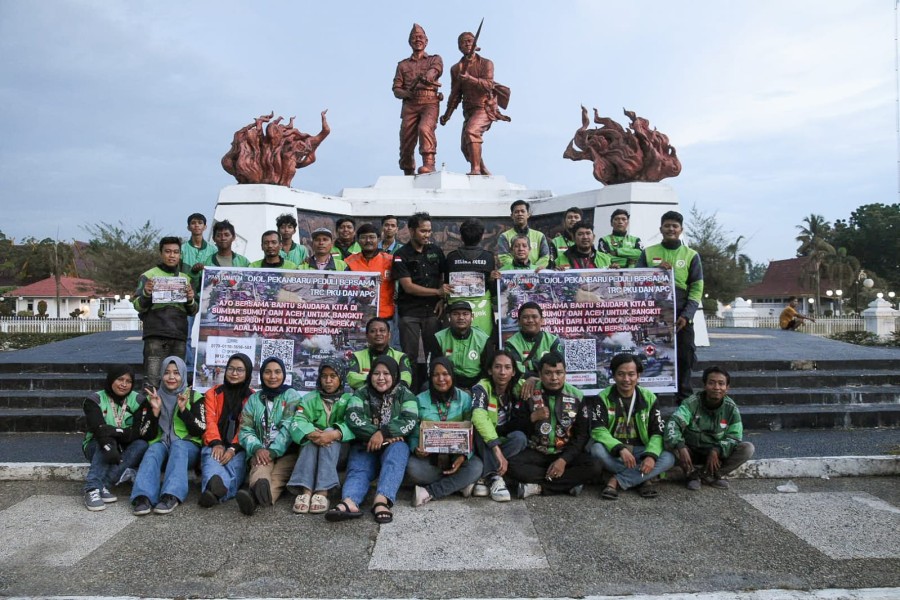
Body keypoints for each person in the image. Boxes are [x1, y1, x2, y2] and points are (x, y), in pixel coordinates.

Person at [326, 356, 417, 523]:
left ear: (395, 375)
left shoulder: (406, 395)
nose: (381, 378)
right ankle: (350, 502)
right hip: (365, 443)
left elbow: (409, 419)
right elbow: (353, 418)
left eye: (386, 373)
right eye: (376, 373)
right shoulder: (361, 393)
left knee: (398, 451)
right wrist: (377, 434)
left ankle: (382, 500)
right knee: (359, 467)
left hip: (393, 445)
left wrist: (383, 432)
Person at [505, 353, 601, 498]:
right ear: (540, 374)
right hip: (537, 452)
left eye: (559, 373)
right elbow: (514, 426)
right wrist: (533, 417)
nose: (554, 378)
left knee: (595, 466)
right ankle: (567, 484)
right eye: (548, 373)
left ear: (565, 373)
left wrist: (563, 460)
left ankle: (539, 488)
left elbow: (582, 435)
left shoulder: (577, 396)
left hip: (565, 453)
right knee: (511, 464)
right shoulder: (529, 392)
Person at [637, 211, 703, 402]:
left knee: (685, 355)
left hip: (682, 315)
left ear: (681, 229)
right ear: (661, 229)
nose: (671, 229)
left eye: (675, 226)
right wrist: (655, 273)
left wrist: (687, 315)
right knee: (652, 353)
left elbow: (697, 287)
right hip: (655, 312)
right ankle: (651, 397)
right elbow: (637, 280)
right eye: (667, 226)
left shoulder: (691, 255)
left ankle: (683, 399)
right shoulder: (648, 252)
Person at [589, 353, 675, 500]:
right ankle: (642, 479)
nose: (626, 379)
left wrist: (651, 456)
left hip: (641, 451)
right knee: (596, 449)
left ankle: (615, 480)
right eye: (621, 374)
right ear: (614, 376)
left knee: (668, 458)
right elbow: (598, 430)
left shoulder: (649, 398)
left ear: (638, 376)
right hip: (615, 453)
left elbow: (657, 431)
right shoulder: (602, 397)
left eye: (631, 374)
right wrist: (620, 448)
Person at [130, 356, 205, 516]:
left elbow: (200, 430)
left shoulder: (194, 396)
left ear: (183, 374)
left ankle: (171, 495)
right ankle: (143, 496)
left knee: (178, 446)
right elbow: (146, 434)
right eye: (167, 373)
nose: (171, 377)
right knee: (153, 450)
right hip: (163, 444)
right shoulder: (153, 397)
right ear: (161, 375)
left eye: (176, 373)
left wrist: (184, 411)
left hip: (187, 447)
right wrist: (155, 412)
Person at [665, 366, 755, 490]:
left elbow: (735, 436)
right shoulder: (691, 403)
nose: (716, 387)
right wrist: (680, 446)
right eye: (711, 383)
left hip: (715, 454)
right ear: (705, 385)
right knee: (669, 444)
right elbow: (673, 424)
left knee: (747, 448)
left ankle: (709, 475)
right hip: (690, 450)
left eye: (721, 384)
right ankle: (691, 475)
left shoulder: (731, 408)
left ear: (727, 388)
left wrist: (717, 449)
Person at [408, 357, 483, 506]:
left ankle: (430, 492)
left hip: (457, 460)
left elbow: (471, 432)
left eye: (445, 374)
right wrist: (416, 448)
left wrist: (464, 455)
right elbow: (413, 433)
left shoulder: (464, 399)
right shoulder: (418, 400)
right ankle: (459, 484)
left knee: (477, 467)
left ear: (452, 376)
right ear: (430, 377)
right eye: (436, 375)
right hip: (430, 461)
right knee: (412, 468)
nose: (441, 379)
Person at [391, 212, 451, 391]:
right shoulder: (401, 255)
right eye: (423, 231)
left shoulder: (436, 251)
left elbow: (443, 277)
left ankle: (433, 391)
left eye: (429, 231)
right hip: (409, 313)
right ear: (411, 230)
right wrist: (437, 292)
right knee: (409, 356)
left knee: (434, 354)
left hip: (433, 311)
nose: (427, 235)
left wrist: (441, 298)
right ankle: (409, 392)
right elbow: (407, 286)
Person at [287, 358, 355, 514]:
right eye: (324, 376)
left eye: (333, 376)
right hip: (314, 448)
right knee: (310, 439)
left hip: (339, 452)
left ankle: (323, 491)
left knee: (329, 431)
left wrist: (334, 433)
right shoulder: (310, 398)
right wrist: (312, 433)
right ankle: (306, 492)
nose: (328, 381)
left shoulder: (349, 399)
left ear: (341, 378)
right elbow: (298, 420)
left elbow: (353, 423)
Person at [235, 357, 302, 515]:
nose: (273, 377)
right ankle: (259, 493)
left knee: (277, 477)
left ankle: (252, 498)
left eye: (277, 372)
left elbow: (289, 427)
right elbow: (245, 429)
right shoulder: (254, 400)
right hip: (261, 451)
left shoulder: (291, 396)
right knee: (261, 469)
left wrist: (273, 451)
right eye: (268, 372)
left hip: (287, 452)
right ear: (262, 375)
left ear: (284, 374)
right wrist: (257, 448)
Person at [81, 364, 153, 511]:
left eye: (128, 381)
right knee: (106, 441)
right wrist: (112, 440)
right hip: (97, 446)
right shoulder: (94, 400)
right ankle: (92, 489)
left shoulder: (139, 400)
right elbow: (99, 431)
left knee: (141, 445)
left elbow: (137, 433)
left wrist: (113, 430)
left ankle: (104, 485)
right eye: (120, 379)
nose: (124, 384)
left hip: (125, 446)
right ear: (111, 379)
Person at [440, 30, 510, 176]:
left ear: (475, 44)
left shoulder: (486, 63)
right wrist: (447, 115)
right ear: (459, 47)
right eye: (463, 42)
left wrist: (470, 79)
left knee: (471, 132)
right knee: (465, 146)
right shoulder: (455, 69)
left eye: (469, 41)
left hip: (485, 107)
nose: (466, 43)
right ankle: (483, 169)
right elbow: (455, 95)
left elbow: (488, 85)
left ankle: (476, 170)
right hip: (468, 110)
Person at [133, 237, 198, 387]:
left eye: (176, 252)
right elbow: (138, 306)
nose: (172, 255)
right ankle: (150, 410)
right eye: (168, 251)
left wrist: (190, 299)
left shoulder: (185, 278)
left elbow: (193, 311)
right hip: (155, 337)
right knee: (152, 381)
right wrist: (147, 293)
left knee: (176, 382)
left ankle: (175, 411)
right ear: (161, 253)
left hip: (179, 337)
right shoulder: (148, 276)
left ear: (180, 254)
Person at [470, 350, 529, 502]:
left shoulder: (518, 386)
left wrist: (533, 379)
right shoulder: (482, 387)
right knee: (478, 427)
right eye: (497, 367)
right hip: (485, 441)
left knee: (520, 438)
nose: (502, 372)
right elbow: (479, 416)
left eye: (508, 367)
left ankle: (484, 477)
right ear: (490, 370)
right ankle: (494, 478)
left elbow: (545, 383)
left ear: (513, 371)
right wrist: (496, 450)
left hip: (503, 438)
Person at [198, 352, 253, 508]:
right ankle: (217, 490)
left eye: (240, 370)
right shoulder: (213, 393)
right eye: (231, 369)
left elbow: (246, 426)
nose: (234, 373)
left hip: (239, 447)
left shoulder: (252, 397)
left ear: (247, 373)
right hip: (214, 443)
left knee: (235, 468)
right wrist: (216, 443)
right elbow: (210, 421)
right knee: (213, 464)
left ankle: (212, 494)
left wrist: (232, 448)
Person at [393, 23, 443, 175]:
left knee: (425, 128)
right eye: (414, 38)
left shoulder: (434, 59)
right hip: (410, 104)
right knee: (406, 138)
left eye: (421, 37)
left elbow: (435, 70)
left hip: (429, 101)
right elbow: (396, 88)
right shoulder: (402, 65)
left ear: (426, 41)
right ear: (410, 42)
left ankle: (429, 164)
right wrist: (405, 94)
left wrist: (428, 76)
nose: (418, 40)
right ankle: (408, 169)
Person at [445, 218, 498, 335]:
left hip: (456, 308)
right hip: (482, 311)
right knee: (483, 341)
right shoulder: (488, 257)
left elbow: (445, 283)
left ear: (461, 237)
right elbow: (492, 286)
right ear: (482, 237)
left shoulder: (451, 257)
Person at [504, 302, 564, 396]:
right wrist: (543, 371)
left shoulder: (553, 341)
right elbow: (516, 371)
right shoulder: (511, 343)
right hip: (522, 393)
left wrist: (531, 365)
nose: (530, 320)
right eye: (525, 317)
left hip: (550, 390)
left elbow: (557, 368)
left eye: (534, 317)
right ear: (519, 321)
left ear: (542, 320)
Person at [434, 301, 490, 390]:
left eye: (465, 314)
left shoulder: (483, 339)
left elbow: (487, 369)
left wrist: (477, 387)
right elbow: (435, 367)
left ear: (472, 317)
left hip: (476, 382)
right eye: (456, 314)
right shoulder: (439, 338)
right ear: (449, 317)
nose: (461, 317)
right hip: (448, 382)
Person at [347, 317, 413, 390]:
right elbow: (351, 378)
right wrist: (383, 380)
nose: (378, 333)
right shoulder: (357, 356)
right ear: (367, 336)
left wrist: (370, 379)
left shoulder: (400, 356)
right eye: (373, 331)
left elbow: (406, 379)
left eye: (382, 330)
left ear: (389, 335)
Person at [345, 223, 395, 319]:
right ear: (358, 240)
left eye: (372, 237)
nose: (368, 241)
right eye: (363, 237)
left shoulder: (390, 261)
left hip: (384, 315)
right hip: (357, 314)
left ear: (379, 239)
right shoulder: (349, 261)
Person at [497, 200, 551, 270]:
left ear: (528, 214)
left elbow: (545, 257)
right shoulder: (504, 236)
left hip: (535, 274)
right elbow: (503, 256)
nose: (520, 214)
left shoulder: (539, 236)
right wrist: (519, 269)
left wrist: (532, 269)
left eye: (523, 211)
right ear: (512, 216)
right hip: (512, 274)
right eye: (516, 212)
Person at [181, 213, 216, 290]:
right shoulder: (181, 249)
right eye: (193, 223)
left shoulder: (214, 250)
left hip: (205, 292)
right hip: (185, 290)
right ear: (188, 227)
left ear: (205, 227)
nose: (196, 225)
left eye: (200, 223)